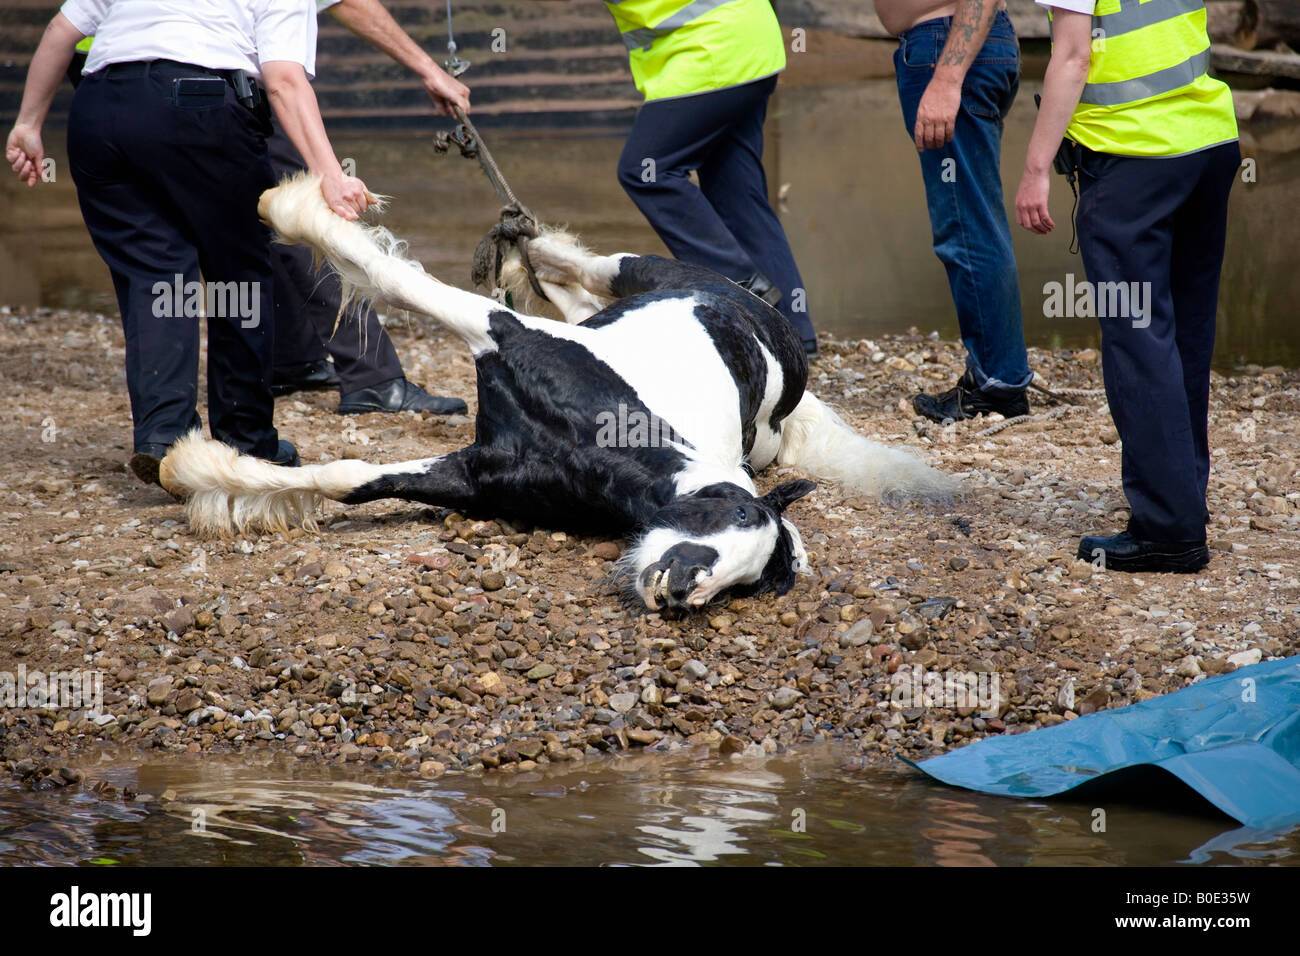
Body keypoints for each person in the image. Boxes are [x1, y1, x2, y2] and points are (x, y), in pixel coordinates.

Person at [6, 0, 373, 488]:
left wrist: (29, 124)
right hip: (199, 108)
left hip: (100, 110)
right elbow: (284, 79)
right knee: (237, 276)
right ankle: (243, 441)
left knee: (154, 277)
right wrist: (330, 174)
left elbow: (60, 31)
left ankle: (165, 437)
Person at [1015, 0, 1238, 573]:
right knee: (1183, 334)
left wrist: (1036, 168)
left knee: (1139, 340)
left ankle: (1169, 530)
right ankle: (1185, 500)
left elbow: (1072, 55)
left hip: (1132, 160)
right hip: (1208, 144)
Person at [546, 0, 816, 354]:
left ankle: (740, 286)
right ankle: (792, 335)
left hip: (710, 50)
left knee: (646, 169)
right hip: (750, 44)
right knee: (736, 193)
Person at [270, 0, 471, 415]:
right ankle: (372, 380)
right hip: (249, 90)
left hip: (143, 90)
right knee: (311, 221)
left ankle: (292, 358)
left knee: (253, 218)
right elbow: (347, 2)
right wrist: (430, 70)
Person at [878, 0, 1034, 422]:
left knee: (967, 228)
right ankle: (998, 375)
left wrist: (948, 77)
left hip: (948, 50)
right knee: (972, 221)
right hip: (954, 47)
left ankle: (998, 385)